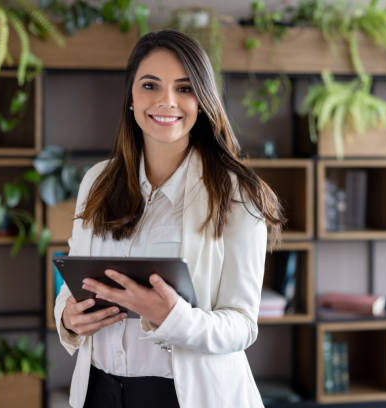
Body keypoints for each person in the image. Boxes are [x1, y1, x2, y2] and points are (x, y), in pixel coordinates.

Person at [54, 29, 284, 408]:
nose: (166, 101)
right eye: (150, 85)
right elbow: (73, 279)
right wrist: (68, 317)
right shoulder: (97, 180)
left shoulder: (238, 194)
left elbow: (243, 325)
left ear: (203, 100)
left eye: (184, 88)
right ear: (131, 96)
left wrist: (173, 317)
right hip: (100, 391)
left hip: (184, 395)